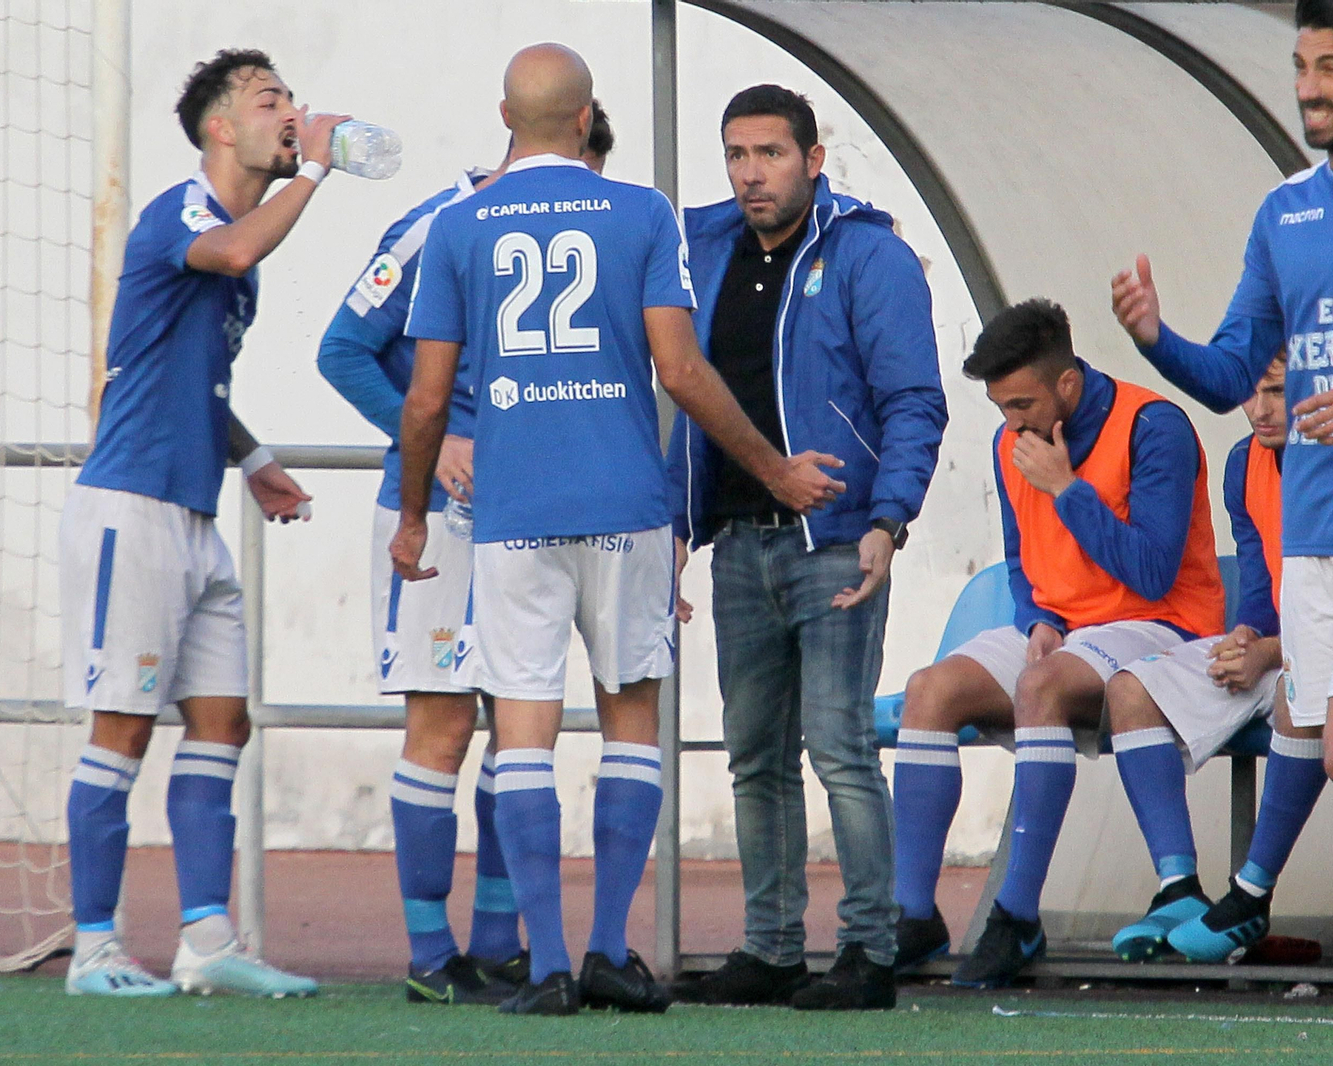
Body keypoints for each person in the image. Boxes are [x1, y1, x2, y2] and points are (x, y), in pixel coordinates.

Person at [393, 43, 830, 1016]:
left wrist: (415, 513)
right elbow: (680, 370)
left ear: (504, 115)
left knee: (522, 731)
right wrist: (771, 467)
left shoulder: (460, 226)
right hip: (627, 507)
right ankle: (607, 951)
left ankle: (544, 966)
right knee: (632, 720)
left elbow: (426, 401)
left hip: (513, 516)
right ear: (587, 118)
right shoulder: (641, 211)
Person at [313, 104, 615, 1006]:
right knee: (443, 727)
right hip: (439, 521)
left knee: (514, 727)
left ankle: (495, 941)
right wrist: (433, 439)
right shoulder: (437, 226)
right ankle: (427, 952)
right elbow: (342, 351)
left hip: (530, 519)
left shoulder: (587, 234)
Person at [58, 49, 344, 997]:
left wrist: (255, 463)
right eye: (271, 101)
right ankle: (93, 947)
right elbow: (232, 249)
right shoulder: (188, 216)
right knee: (122, 732)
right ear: (221, 128)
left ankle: (208, 943)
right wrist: (312, 174)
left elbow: (186, 376)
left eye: (292, 100)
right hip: (129, 510)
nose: (292, 114)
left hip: (194, 513)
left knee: (224, 722)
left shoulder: (241, 254)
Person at [663, 84, 946, 1012]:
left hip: (833, 539)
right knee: (753, 756)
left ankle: (870, 951)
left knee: (838, 747)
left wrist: (886, 521)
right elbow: (680, 400)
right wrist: (673, 529)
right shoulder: (702, 248)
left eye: (772, 155)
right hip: (737, 541)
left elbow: (914, 402)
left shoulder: (869, 252)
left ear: (814, 161)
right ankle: (772, 948)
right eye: (737, 155)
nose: (752, 174)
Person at [891, 299, 1225, 990]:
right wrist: (1035, 616)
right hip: (1066, 629)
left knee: (1039, 688)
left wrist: (1068, 488)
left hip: (1161, 626)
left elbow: (1155, 571)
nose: (1011, 423)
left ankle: (1016, 917)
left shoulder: (1153, 426)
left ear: (1067, 386)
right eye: (1000, 406)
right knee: (929, 691)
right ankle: (912, 917)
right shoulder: (1010, 441)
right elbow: (1023, 561)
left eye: (1021, 403)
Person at [1109, 0, 1333, 957]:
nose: (1311, 89)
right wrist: (1157, 337)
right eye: (1302, 67)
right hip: (1320, 540)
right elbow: (1233, 374)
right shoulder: (1285, 210)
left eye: (1329, 66)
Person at [1103, 357, 1286, 961]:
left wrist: (1270, 652)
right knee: (1130, 688)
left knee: (1299, 694)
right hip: (1283, 648)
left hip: (1312, 655)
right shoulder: (1243, 462)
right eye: (1249, 394)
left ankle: (1250, 895)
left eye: (1278, 392)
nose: (1260, 410)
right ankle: (1178, 886)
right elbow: (1260, 579)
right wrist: (1245, 635)